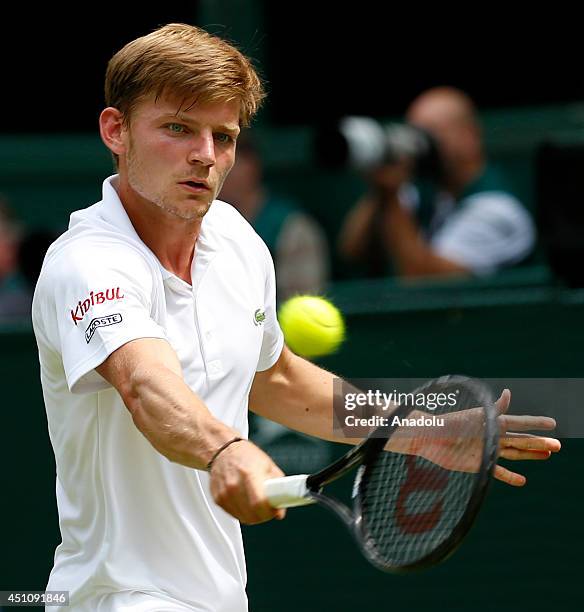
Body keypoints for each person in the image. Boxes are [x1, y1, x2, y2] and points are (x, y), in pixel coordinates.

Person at [32, 26, 560, 611]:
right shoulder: (88, 261)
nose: (205, 155)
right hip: (119, 598)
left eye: (223, 136)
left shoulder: (236, 241)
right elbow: (145, 384)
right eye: (178, 128)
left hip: (218, 596)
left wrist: (417, 429)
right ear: (116, 131)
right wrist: (225, 450)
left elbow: (277, 378)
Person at [339, 87, 536, 278]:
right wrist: (381, 187)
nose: (420, 144)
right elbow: (353, 251)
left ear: (469, 136)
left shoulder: (497, 210)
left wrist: (391, 194)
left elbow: (424, 281)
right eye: (413, 133)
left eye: (430, 133)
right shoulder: (425, 191)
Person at [218, 132, 329, 301]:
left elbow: (305, 298)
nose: (217, 173)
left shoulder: (292, 227)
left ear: (252, 166)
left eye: (230, 163)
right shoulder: (198, 225)